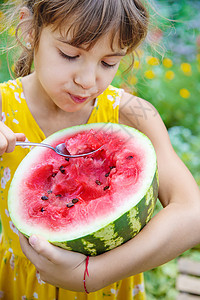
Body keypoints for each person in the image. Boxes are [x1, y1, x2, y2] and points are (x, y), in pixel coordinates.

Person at [0, 0, 200, 299]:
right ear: (30, 29)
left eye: (109, 62)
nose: (87, 80)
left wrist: (94, 275)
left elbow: (192, 214)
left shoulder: (133, 115)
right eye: (69, 55)